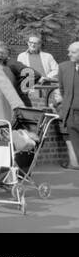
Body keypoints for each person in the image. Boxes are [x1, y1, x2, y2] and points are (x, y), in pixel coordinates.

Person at [54, 41, 79, 170]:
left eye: (73, 52)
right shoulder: (63, 67)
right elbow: (62, 90)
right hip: (71, 115)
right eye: (69, 51)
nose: (69, 54)